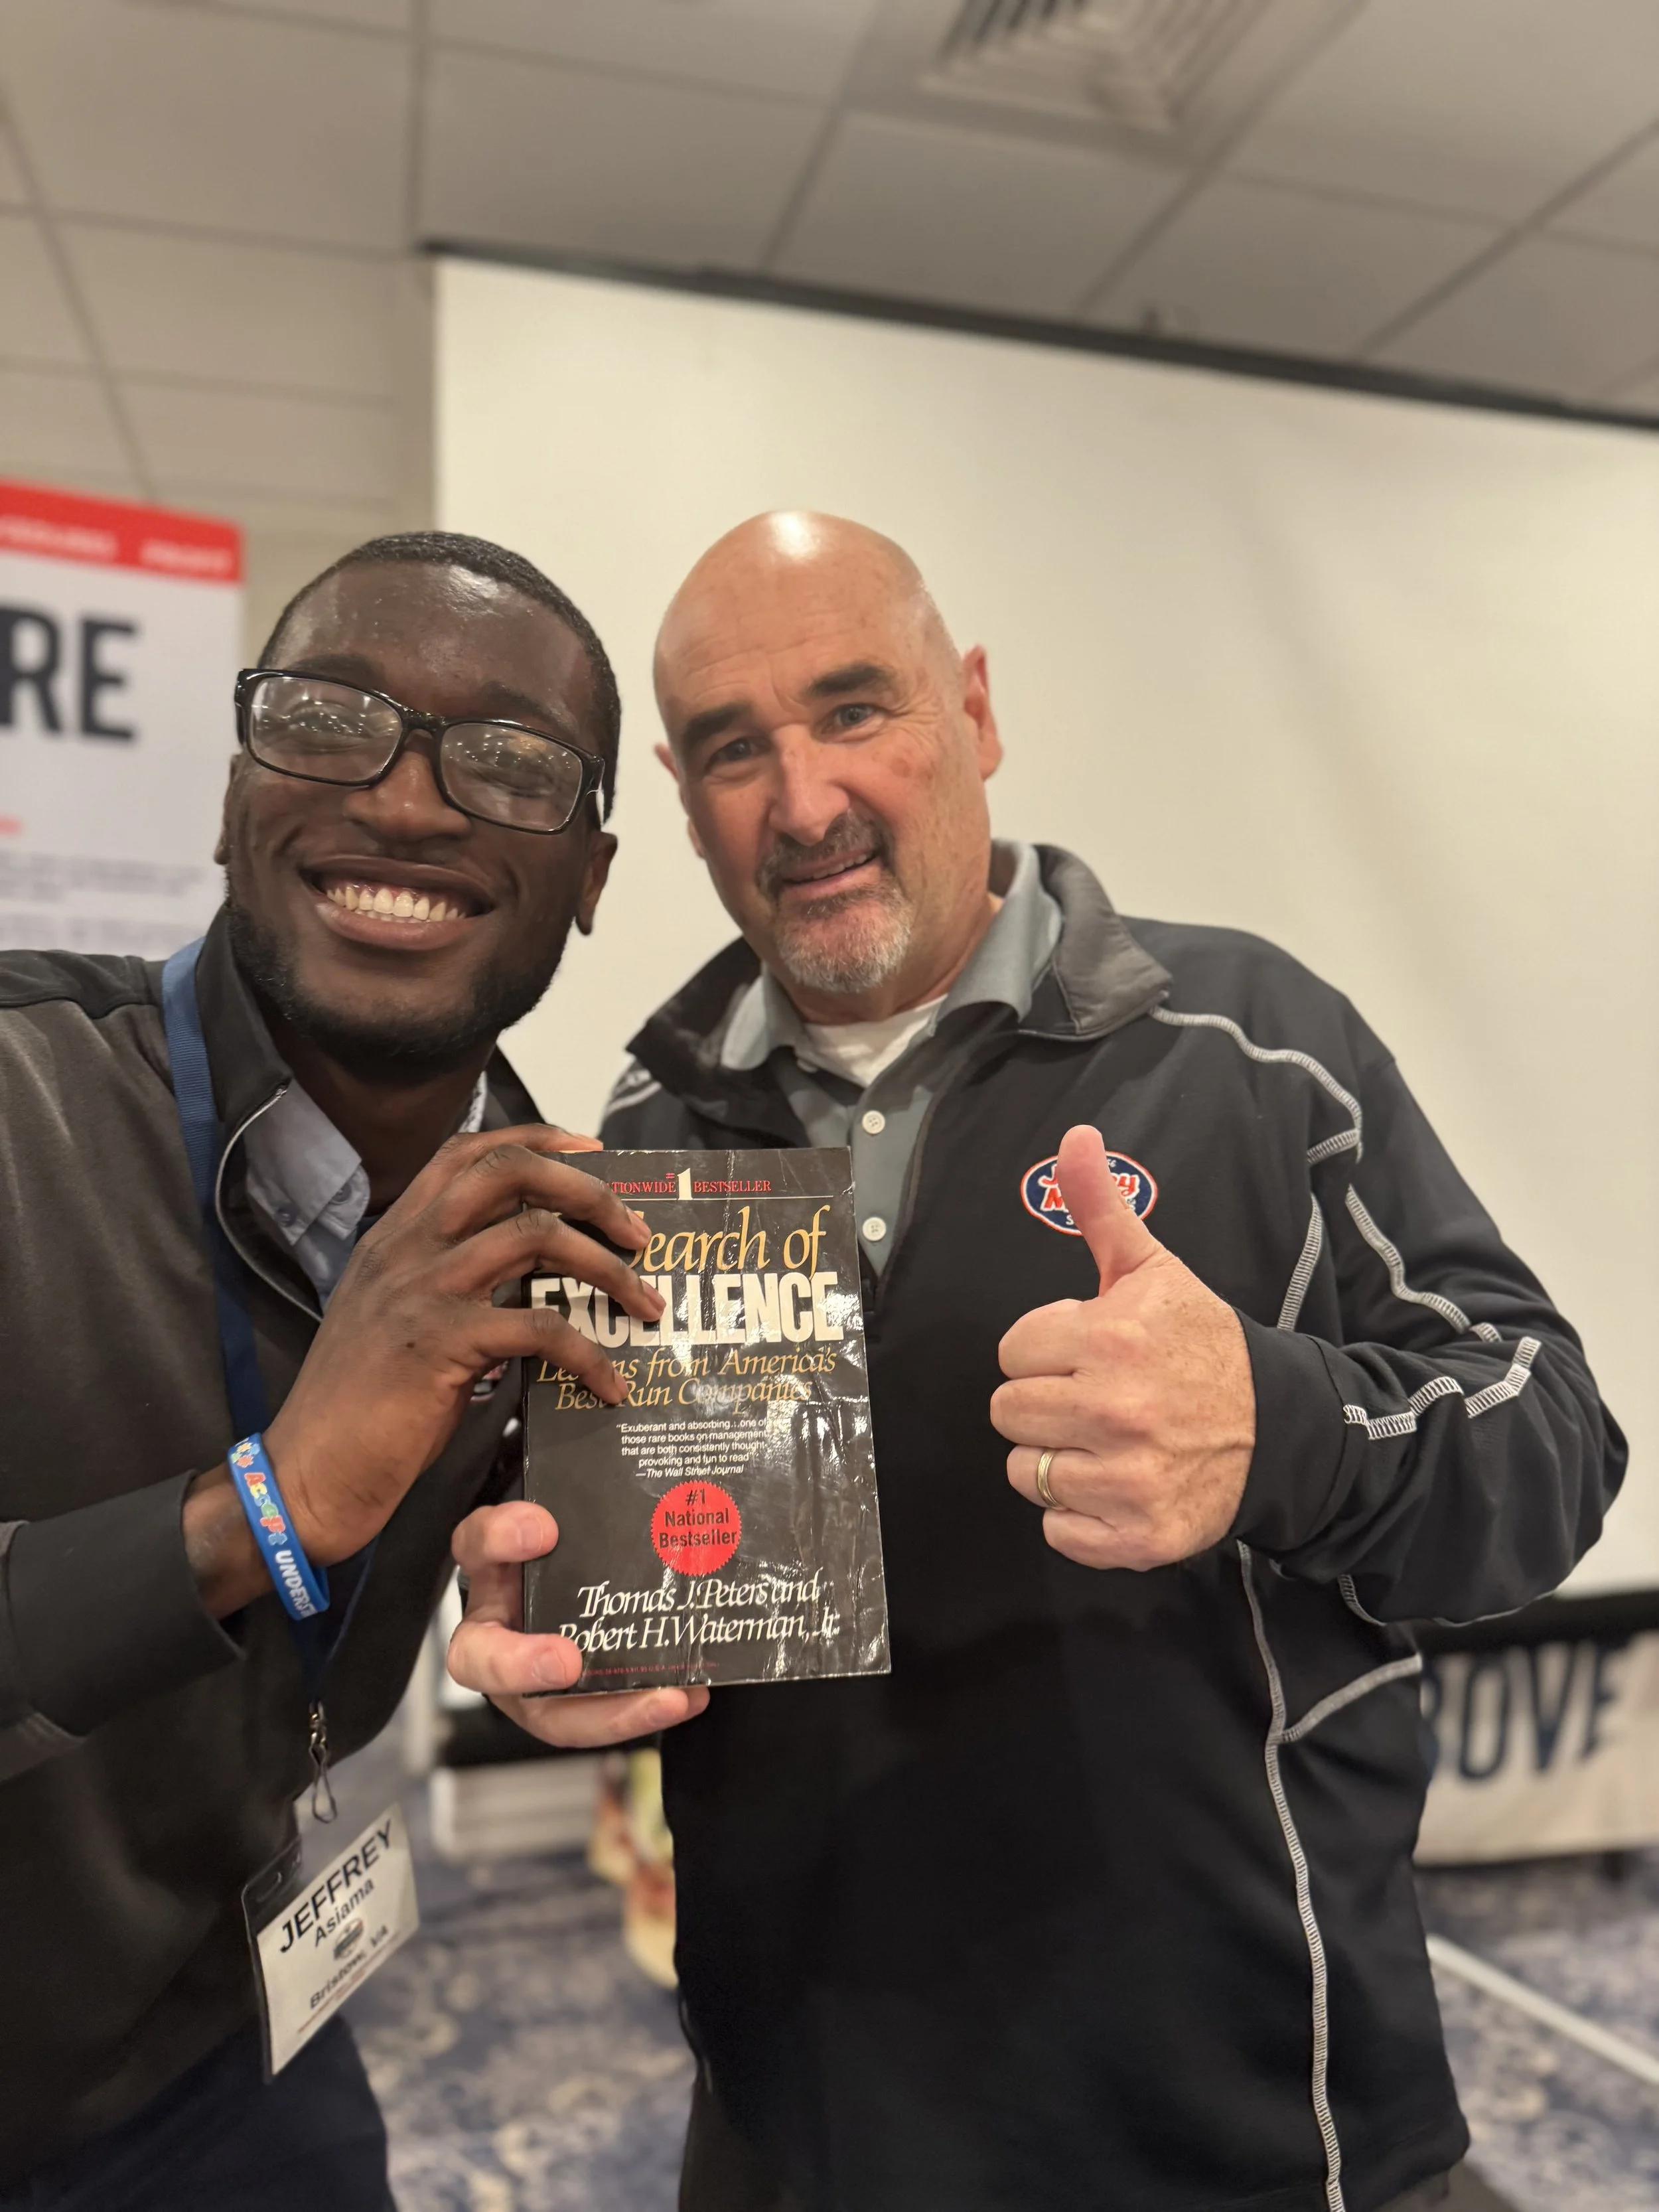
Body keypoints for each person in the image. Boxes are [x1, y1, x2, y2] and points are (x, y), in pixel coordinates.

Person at [451, 512, 1624, 2212]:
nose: (803, 799)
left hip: (1233, 2132)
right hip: (797, 2135)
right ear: (684, 802)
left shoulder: (1254, 1051)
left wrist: (1279, 1426)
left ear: (975, 713)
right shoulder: (647, 1129)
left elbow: (1555, 1445)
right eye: (732, 749)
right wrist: (558, 1613)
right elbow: (654, 1567)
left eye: (854, 709)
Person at [0, 531, 705, 2209]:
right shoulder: (20, 1108)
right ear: (233, 797)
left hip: (226, 2044)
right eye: (329, 722)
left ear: (591, 873)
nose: (402, 801)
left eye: (509, 761)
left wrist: (565, 1638)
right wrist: (270, 1503)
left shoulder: (562, 1236)